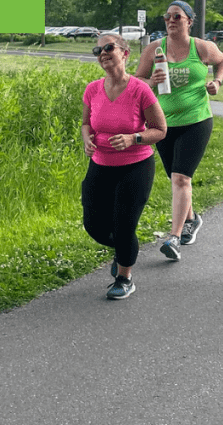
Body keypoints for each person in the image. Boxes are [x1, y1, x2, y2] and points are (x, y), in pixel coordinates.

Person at [134, 0, 223, 261]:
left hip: (196, 120)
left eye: (177, 16)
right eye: (167, 17)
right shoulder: (154, 49)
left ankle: (173, 238)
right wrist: (151, 81)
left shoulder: (202, 47)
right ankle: (192, 219)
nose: (171, 21)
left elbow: (222, 61)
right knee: (175, 178)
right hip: (162, 124)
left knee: (180, 178)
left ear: (189, 21)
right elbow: (138, 79)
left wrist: (217, 82)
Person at [81, 34, 167, 299]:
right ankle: (123, 249)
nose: (103, 53)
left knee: (123, 225)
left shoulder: (140, 89)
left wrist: (133, 138)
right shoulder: (92, 89)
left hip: (135, 166)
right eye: (98, 50)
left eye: (109, 47)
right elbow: (86, 124)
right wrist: (86, 138)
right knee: (93, 225)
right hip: (100, 164)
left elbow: (160, 130)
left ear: (125, 53)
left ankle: (124, 277)